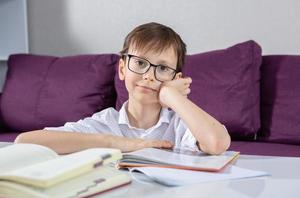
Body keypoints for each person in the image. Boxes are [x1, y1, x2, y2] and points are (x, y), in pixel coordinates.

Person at [15, 22, 231, 155]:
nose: (148, 75)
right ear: (122, 69)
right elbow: (25, 141)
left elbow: (218, 143)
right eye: (139, 63)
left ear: (176, 78)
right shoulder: (105, 123)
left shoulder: (181, 126)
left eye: (163, 68)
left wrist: (172, 96)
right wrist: (115, 142)